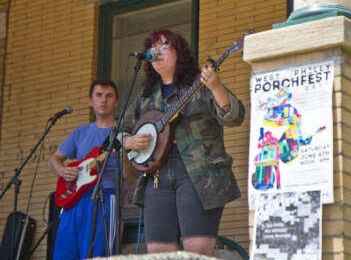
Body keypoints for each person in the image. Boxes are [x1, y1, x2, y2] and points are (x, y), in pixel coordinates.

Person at [118, 28, 245, 256]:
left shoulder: (201, 85)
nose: (157, 53)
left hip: (198, 174)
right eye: (152, 49)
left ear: (180, 53)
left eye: (164, 47)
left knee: (197, 250)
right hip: (156, 175)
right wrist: (129, 141)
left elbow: (235, 117)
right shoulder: (145, 97)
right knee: (158, 252)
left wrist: (216, 87)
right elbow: (117, 134)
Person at [48, 79, 121, 259]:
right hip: (74, 199)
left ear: (116, 102)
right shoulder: (80, 132)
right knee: (65, 253)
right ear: (90, 101)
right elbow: (54, 159)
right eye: (99, 95)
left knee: (98, 254)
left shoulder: (122, 132)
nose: (103, 100)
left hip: (106, 196)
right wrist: (62, 171)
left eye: (109, 96)